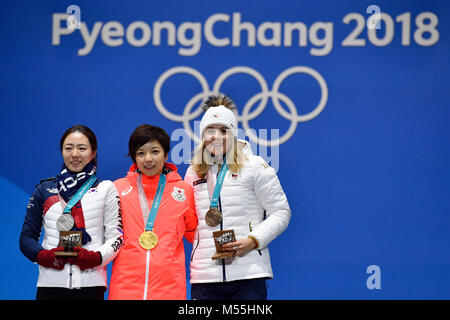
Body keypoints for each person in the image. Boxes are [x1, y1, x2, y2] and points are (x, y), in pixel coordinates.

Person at [184, 93, 291, 300]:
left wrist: (253, 240)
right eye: (210, 130)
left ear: (233, 134)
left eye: (224, 130)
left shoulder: (254, 166)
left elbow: (281, 211)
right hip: (205, 277)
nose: (216, 136)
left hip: (249, 273)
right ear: (202, 135)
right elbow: (189, 222)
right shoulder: (193, 172)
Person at [19, 125, 124, 300]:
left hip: (91, 285)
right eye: (69, 148)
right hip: (49, 286)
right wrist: (43, 256)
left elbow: (117, 237)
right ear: (62, 151)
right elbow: (26, 238)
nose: (75, 154)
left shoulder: (106, 188)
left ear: (93, 152)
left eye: (82, 148)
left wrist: (96, 258)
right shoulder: (45, 189)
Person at [108, 124, 198, 300]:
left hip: (169, 289)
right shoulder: (117, 189)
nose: (148, 159)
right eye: (141, 153)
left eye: (155, 152)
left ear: (165, 154)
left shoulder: (183, 191)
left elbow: (196, 235)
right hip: (124, 287)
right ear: (134, 157)